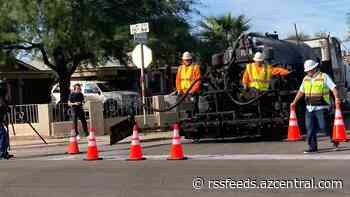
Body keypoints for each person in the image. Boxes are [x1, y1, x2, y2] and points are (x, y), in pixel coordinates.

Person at [290, 59, 340, 153]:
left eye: (309, 70)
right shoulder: (306, 79)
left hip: (322, 107)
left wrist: (336, 98)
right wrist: (294, 102)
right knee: (310, 128)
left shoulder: (324, 76)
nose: (308, 72)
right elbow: (301, 91)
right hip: (309, 108)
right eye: (307, 70)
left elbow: (333, 88)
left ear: (314, 68)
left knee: (324, 126)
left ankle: (335, 139)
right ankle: (312, 148)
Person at [0, 79, 13, 159]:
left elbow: (8, 99)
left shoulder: (4, 92)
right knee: (3, 133)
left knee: (5, 134)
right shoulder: (1, 93)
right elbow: (3, 102)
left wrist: (9, 89)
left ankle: (4, 152)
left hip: (2, 117)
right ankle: (2, 152)